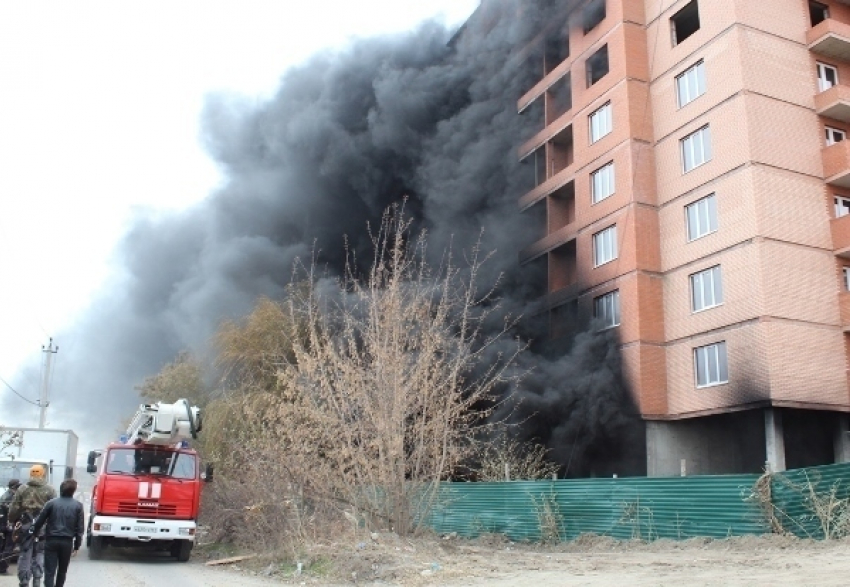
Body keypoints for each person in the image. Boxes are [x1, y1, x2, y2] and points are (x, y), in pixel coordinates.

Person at [30, 480, 84, 587]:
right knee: (62, 570)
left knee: (49, 570)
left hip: (51, 540)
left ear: (61, 489)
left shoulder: (51, 503)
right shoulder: (78, 506)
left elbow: (40, 521)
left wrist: (34, 533)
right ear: (73, 491)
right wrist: (77, 545)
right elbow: (80, 528)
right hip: (67, 542)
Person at [9, 465, 56, 587]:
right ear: (43, 474)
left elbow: (14, 508)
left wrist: (12, 520)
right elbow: (54, 509)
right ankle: (37, 580)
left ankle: (24, 581)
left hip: (26, 526)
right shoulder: (50, 490)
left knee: (25, 553)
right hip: (43, 527)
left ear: (30, 474)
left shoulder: (22, 489)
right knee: (40, 553)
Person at [0, 479, 21, 575]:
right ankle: (2, 569)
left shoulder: (5, 495)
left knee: (4, 547)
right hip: (8, 525)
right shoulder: (10, 497)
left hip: (4, 525)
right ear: (14, 488)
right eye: (17, 487)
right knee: (8, 548)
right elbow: (12, 513)